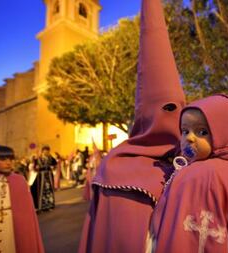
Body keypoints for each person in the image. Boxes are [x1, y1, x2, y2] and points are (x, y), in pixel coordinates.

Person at [78, 0, 186, 252]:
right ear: (146, 113)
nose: (174, 117)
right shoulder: (115, 168)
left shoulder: (194, 161)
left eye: (179, 108)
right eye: (166, 108)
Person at [150, 94, 228, 253]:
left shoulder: (198, 175)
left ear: (222, 134)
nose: (189, 138)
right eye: (185, 131)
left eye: (202, 132)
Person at [0, 145, 44, 253]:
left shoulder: (20, 181)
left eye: (11, 159)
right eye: (3, 159)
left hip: (11, 232)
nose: (8, 162)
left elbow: (27, 216)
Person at [30, 145, 57, 211]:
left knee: (49, 191)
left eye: (47, 151)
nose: (46, 152)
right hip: (41, 177)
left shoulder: (51, 158)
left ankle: (49, 205)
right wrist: (36, 168)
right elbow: (34, 167)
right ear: (42, 151)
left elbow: (55, 163)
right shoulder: (38, 158)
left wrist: (53, 167)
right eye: (45, 151)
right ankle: (41, 206)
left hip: (49, 176)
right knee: (40, 191)